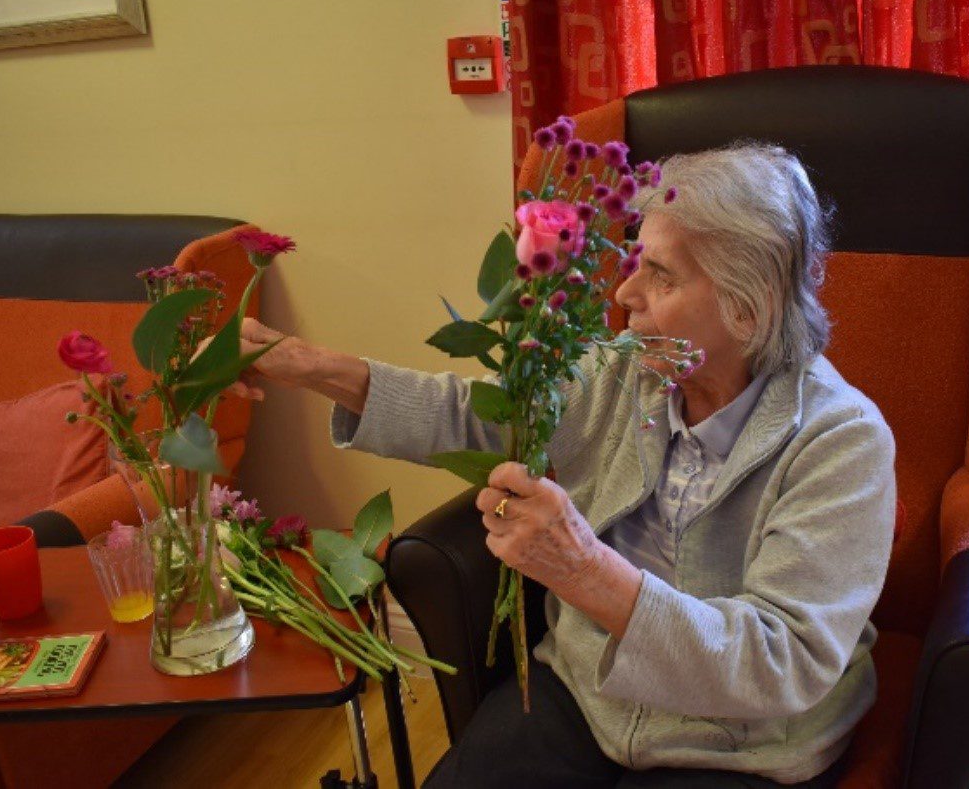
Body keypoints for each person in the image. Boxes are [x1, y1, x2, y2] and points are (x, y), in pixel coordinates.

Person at [227, 143, 896, 788]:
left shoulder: (841, 442)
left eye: (661, 275)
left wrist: (583, 569)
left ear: (748, 308)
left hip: (739, 741)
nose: (625, 292)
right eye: (635, 262)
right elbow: (475, 416)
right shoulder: (625, 371)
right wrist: (303, 364)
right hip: (588, 689)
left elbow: (782, 661)